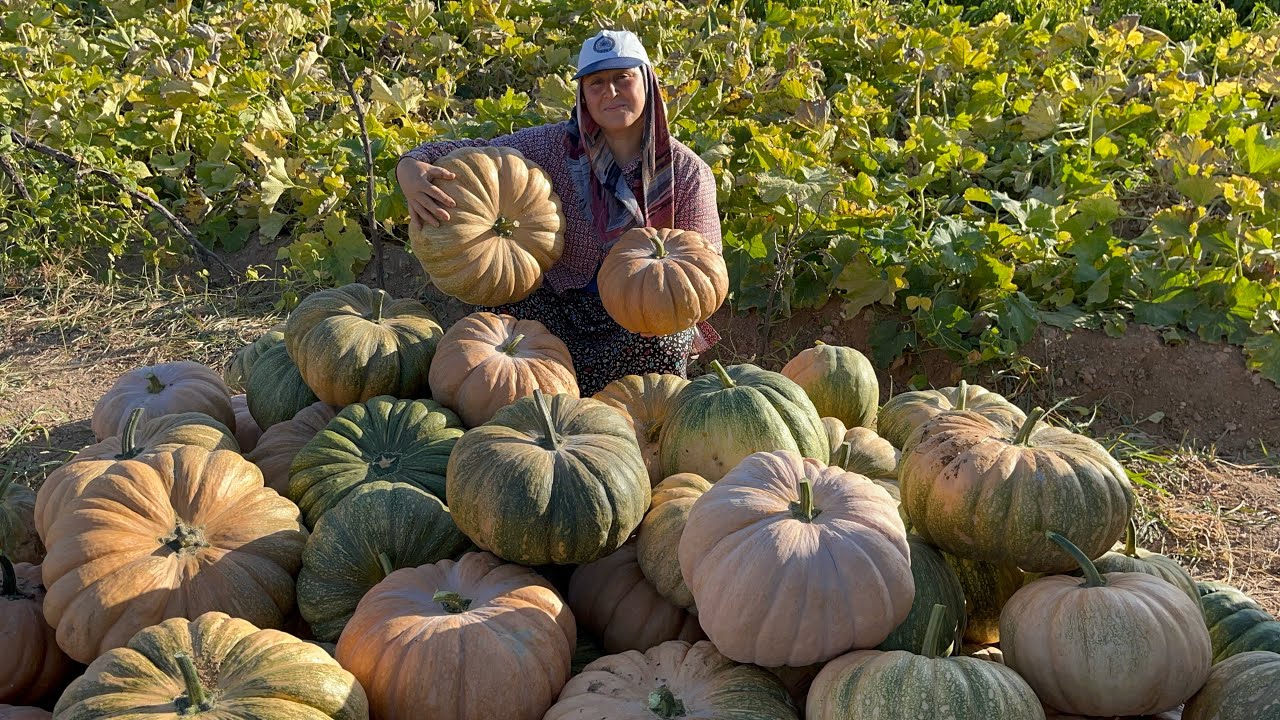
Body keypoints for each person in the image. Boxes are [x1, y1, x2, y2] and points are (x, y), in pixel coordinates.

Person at [396, 29, 723, 396]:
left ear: (647, 81)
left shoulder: (687, 172)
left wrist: (670, 312)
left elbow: (704, 267)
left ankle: (622, 418)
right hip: (554, 305)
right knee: (498, 305)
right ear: (583, 94)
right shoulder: (551, 145)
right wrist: (409, 168)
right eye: (596, 83)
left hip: (634, 322)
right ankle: (515, 402)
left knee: (668, 342)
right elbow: (472, 151)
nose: (610, 92)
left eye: (622, 78)